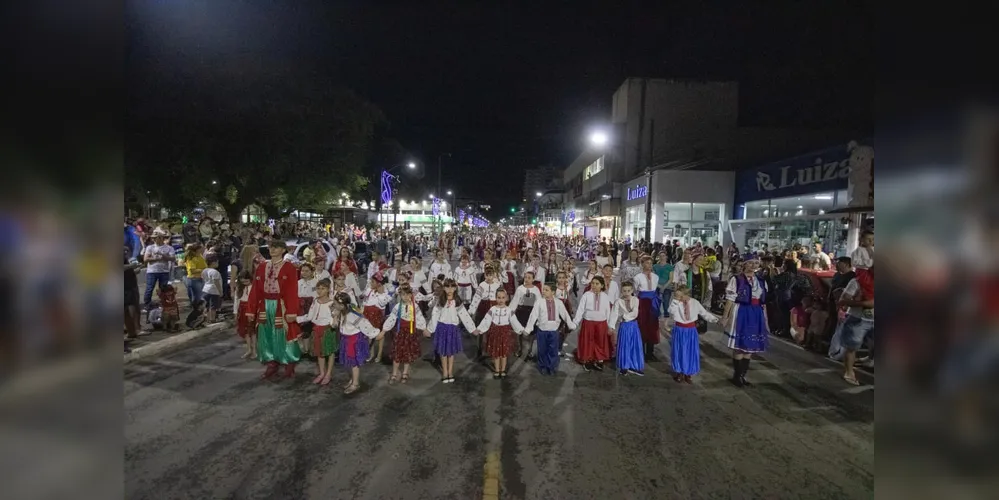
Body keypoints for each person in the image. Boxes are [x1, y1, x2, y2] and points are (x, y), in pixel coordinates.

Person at [246, 239, 302, 380]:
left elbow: (291, 290)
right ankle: (272, 362)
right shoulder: (262, 266)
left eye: (276, 247)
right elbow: (255, 289)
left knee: (284, 333)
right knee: (266, 334)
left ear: (283, 250)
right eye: (271, 247)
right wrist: (251, 309)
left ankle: (289, 362)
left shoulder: (289, 267)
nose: (273, 250)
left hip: (281, 305)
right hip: (265, 305)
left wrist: (291, 311)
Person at [720, 257, 769, 387]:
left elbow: (763, 302)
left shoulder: (761, 281)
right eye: (751, 263)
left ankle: (742, 376)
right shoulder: (736, 279)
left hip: (756, 312)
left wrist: (765, 319)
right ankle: (737, 376)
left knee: (750, 347)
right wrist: (725, 317)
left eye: (756, 263)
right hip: (741, 311)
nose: (754, 265)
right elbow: (730, 299)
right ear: (745, 264)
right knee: (740, 345)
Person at [425, 278, 477, 384]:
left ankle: (450, 371)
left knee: (451, 352)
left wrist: (472, 329)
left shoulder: (457, 301)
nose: (449, 289)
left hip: (453, 329)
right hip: (442, 328)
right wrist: (430, 329)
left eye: (452, 287)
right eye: (447, 287)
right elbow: (435, 315)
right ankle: (444, 372)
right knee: (443, 352)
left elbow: (464, 315)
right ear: (444, 288)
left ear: (455, 288)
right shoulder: (441, 301)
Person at [667, 285, 718, 383]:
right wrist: (676, 301)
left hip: (690, 330)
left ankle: (688, 372)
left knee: (690, 351)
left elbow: (704, 313)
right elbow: (671, 312)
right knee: (679, 350)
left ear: (687, 295)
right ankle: (679, 371)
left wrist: (715, 319)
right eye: (678, 296)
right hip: (679, 329)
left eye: (681, 296)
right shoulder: (676, 302)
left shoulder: (695, 303)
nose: (680, 298)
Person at [334, 292, 383, 394]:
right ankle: (352, 379)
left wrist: (374, 333)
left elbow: (364, 324)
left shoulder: (352, 315)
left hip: (353, 341)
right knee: (350, 362)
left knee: (354, 362)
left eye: (335, 304)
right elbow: (335, 324)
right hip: (346, 339)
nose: (334, 305)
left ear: (342, 305)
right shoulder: (342, 312)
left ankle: (355, 383)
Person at [525, 283, 576, 375]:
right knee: (542, 349)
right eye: (543, 289)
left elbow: (565, 314)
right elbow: (533, 316)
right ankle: (542, 366)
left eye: (546, 290)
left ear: (553, 292)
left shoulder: (558, 302)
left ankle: (551, 367)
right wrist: (529, 328)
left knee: (553, 350)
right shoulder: (539, 302)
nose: (543, 291)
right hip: (542, 331)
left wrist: (570, 324)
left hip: (554, 331)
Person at [297, 278, 340, 386]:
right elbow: (310, 316)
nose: (320, 291)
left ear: (328, 290)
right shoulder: (315, 301)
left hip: (328, 330)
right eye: (318, 288)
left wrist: (334, 322)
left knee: (329, 352)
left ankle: (328, 374)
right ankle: (322, 373)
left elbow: (335, 319)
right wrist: (297, 319)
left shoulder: (332, 303)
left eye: (323, 288)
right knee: (319, 352)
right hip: (317, 329)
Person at [474, 288, 525, 379]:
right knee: (496, 354)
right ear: (495, 298)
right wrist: (479, 329)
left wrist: (521, 329)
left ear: (506, 298)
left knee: (504, 353)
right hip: (495, 333)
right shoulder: (492, 309)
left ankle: (503, 370)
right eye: (498, 297)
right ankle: (497, 370)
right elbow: (486, 320)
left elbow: (514, 321)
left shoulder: (509, 310)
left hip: (505, 333)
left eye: (503, 297)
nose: (501, 300)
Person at [382, 284, 427, 384]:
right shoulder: (398, 306)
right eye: (403, 295)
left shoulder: (415, 306)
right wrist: (384, 330)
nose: (405, 297)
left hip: (410, 332)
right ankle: (394, 373)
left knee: (408, 352)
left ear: (411, 294)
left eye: (407, 294)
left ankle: (405, 372)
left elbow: (419, 317)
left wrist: (424, 328)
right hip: (400, 332)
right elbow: (392, 319)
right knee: (397, 352)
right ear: (400, 295)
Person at [838, 263, 874, 385]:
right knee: (852, 347)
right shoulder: (857, 281)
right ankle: (849, 372)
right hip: (858, 319)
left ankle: (869, 359)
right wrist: (864, 303)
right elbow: (843, 300)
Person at [573, 275, 612, 371]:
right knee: (588, 341)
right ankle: (587, 360)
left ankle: (599, 360)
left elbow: (608, 312)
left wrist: (610, 326)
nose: (594, 285)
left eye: (597, 284)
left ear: (602, 285)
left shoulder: (605, 297)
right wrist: (575, 322)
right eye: (592, 283)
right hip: (588, 322)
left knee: (600, 342)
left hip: (601, 323)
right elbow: (580, 309)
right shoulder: (586, 295)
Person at [608, 281, 644, 376]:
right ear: (621, 291)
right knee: (625, 345)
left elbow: (635, 313)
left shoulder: (635, 300)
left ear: (632, 290)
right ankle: (624, 366)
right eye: (624, 291)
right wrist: (611, 326)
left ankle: (634, 366)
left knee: (634, 345)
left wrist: (624, 316)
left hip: (633, 326)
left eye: (628, 290)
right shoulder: (618, 301)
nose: (627, 293)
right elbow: (614, 314)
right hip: (624, 326)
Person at [359, 272, 393, 364]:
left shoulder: (385, 293)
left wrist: (381, 292)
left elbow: (382, 304)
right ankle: (371, 353)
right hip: (367, 315)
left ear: (378, 283)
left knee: (379, 336)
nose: (370, 283)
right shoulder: (369, 290)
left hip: (377, 316)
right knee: (368, 334)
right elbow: (364, 300)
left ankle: (379, 354)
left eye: (372, 282)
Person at [633, 256, 661, 361]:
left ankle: (650, 351)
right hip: (642, 304)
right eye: (647, 263)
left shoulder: (655, 277)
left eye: (650, 263)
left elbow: (655, 290)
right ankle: (641, 351)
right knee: (643, 325)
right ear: (642, 264)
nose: (649, 265)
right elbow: (636, 291)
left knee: (652, 326)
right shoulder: (637, 277)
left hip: (653, 303)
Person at [511, 271, 543, 360]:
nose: (527, 279)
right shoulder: (520, 289)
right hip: (521, 312)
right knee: (519, 330)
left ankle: (530, 350)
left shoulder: (536, 289)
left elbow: (539, 302)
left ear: (533, 279)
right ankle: (520, 348)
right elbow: (515, 301)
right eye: (526, 277)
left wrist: (540, 313)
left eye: (529, 278)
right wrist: (510, 312)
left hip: (532, 312)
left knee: (532, 332)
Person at [142, 228, 175, 311]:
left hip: (164, 271)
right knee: (149, 288)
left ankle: (163, 303)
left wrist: (164, 256)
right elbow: (145, 259)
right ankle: (147, 304)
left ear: (161, 238)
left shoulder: (169, 248)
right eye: (154, 238)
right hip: (152, 271)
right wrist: (156, 258)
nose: (155, 239)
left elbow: (173, 258)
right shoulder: (150, 247)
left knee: (163, 288)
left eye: (157, 237)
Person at [233, 271, 256, 359]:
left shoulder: (254, 287)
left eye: (247, 281)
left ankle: (255, 351)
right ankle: (249, 349)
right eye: (243, 282)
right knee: (245, 331)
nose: (245, 284)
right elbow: (236, 301)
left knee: (253, 331)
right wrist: (235, 312)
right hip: (242, 310)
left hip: (251, 309)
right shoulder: (239, 288)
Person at [201, 254, 224, 324]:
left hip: (205, 289)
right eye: (217, 262)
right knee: (213, 306)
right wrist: (220, 291)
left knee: (207, 305)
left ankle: (207, 318)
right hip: (214, 291)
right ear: (213, 262)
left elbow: (203, 279)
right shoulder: (215, 272)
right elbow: (216, 282)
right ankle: (212, 319)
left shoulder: (204, 270)